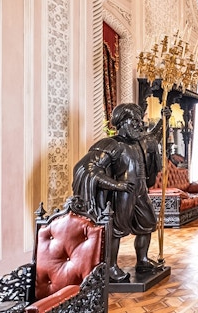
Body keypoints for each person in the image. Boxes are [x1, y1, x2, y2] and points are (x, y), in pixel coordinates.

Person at [72, 103, 162, 283]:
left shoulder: (139, 141)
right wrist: (116, 185)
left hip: (141, 190)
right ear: (122, 122)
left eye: (140, 120)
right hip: (122, 193)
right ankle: (110, 266)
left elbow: (154, 137)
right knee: (116, 230)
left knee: (148, 223)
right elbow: (88, 168)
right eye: (134, 121)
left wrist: (163, 120)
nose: (139, 124)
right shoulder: (111, 144)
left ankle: (142, 260)